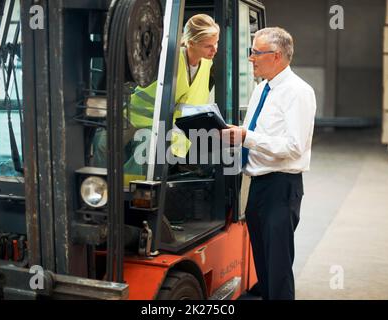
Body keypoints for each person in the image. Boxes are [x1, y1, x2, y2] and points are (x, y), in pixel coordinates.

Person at [222, 27, 316, 300]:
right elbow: (259, 131)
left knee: (278, 268)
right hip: (258, 185)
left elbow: (294, 146)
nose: (250, 58)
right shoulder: (262, 88)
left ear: (275, 56)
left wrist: (246, 137)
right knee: (262, 262)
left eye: (255, 52)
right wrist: (237, 133)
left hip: (281, 187)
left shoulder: (298, 92)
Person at [93, 14, 220, 182]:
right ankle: (102, 186)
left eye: (216, 43)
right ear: (191, 42)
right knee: (102, 142)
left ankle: (126, 190)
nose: (214, 49)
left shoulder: (207, 66)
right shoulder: (167, 59)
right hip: (135, 116)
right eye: (208, 46)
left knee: (147, 152)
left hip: (170, 126)